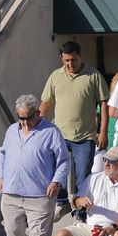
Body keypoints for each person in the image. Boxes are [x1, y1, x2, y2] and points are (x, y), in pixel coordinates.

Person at [0, 94, 70, 236]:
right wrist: (0, 176)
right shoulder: (12, 130)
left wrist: (56, 181)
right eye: (21, 118)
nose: (25, 122)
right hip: (11, 192)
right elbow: (3, 154)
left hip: (39, 194)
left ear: (38, 113)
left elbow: (63, 160)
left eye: (28, 117)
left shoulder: (51, 131)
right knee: (12, 229)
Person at [40, 41, 110, 199]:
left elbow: (104, 104)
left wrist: (103, 132)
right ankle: (61, 201)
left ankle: (81, 211)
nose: (70, 64)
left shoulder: (93, 75)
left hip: (85, 136)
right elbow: (45, 103)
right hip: (60, 135)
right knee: (54, 170)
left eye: (73, 60)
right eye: (66, 60)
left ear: (80, 56)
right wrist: (38, 128)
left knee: (84, 175)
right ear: (61, 58)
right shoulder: (55, 76)